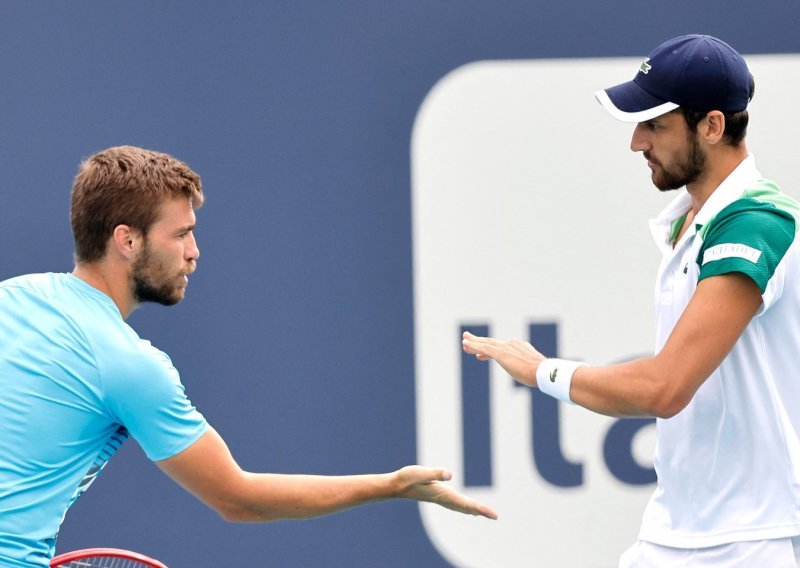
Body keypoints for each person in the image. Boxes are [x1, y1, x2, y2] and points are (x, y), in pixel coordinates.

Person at [0, 146, 497, 568]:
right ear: (127, 240)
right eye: (179, 234)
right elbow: (238, 499)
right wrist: (390, 486)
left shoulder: (11, 298)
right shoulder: (131, 367)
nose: (194, 251)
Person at [462, 34, 800, 567]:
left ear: (711, 126)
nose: (637, 142)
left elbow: (665, 388)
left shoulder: (757, 223)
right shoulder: (689, 224)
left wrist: (541, 371)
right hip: (672, 534)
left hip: (755, 541)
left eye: (655, 125)